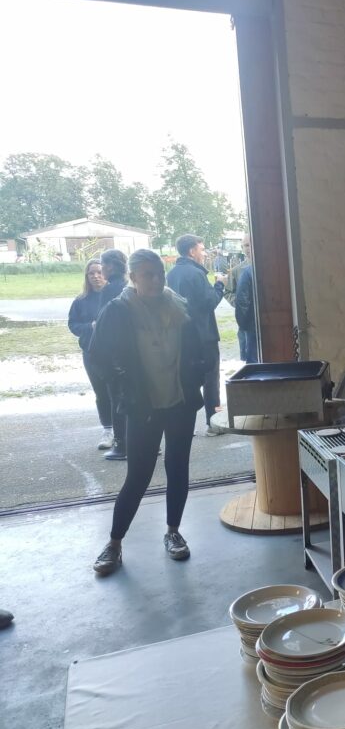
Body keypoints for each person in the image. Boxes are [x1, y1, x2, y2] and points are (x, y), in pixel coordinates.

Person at [88, 249, 210, 575]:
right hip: (143, 406)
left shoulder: (178, 306)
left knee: (178, 468)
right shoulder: (119, 310)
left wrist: (197, 375)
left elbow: (198, 348)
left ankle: (173, 532)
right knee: (138, 476)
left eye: (159, 273)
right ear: (133, 278)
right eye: (148, 275)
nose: (156, 280)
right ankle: (114, 543)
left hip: (180, 402)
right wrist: (123, 387)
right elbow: (97, 356)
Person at [166, 234, 226, 435]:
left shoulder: (171, 274)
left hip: (182, 336)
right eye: (202, 249)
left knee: (186, 380)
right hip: (204, 336)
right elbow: (209, 302)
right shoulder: (197, 274)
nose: (205, 253)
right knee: (211, 381)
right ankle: (213, 422)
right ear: (192, 251)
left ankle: (185, 424)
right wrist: (219, 284)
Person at [67, 259, 112, 449]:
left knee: (119, 391)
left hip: (115, 352)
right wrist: (89, 327)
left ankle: (125, 430)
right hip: (91, 352)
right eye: (91, 273)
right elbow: (73, 325)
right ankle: (108, 429)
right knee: (101, 392)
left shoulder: (115, 296)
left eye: (99, 272)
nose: (96, 276)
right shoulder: (80, 301)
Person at [99, 248, 130, 460]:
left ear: (110, 266)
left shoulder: (110, 290)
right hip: (131, 354)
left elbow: (104, 326)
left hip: (116, 356)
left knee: (117, 400)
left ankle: (122, 445)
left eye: (102, 265)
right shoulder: (128, 286)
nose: (101, 269)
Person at [224, 235, 257, 363]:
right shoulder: (237, 270)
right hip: (246, 321)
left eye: (249, 245)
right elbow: (228, 291)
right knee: (248, 358)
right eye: (244, 246)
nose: (247, 249)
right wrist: (238, 302)